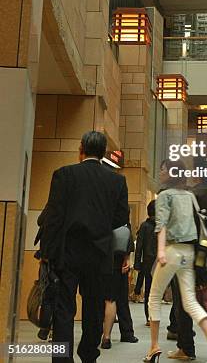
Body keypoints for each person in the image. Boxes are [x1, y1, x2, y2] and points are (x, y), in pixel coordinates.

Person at [38, 130, 129, 363]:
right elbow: (121, 217)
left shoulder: (64, 175)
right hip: (99, 253)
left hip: (67, 252)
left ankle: (62, 358)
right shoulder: (116, 181)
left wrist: (47, 253)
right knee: (94, 308)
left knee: (64, 308)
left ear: (81, 150)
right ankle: (89, 355)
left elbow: (54, 217)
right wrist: (100, 222)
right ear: (103, 153)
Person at [146, 159, 207, 363]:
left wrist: (161, 251)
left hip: (178, 250)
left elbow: (165, 225)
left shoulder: (184, 194)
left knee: (173, 301)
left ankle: (178, 346)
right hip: (204, 255)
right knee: (191, 298)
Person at [101, 229, 138, 348]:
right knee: (120, 297)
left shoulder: (99, 213)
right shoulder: (121, 216)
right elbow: (126, 232)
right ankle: (126, 333)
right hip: (119, 256)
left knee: (109, 298)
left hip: (102, 257)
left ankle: (105, 336)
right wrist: (127, 256)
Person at [135, 201, 157, 326]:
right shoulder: (161, 225)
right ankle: (153, 316)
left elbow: (139, 246)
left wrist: (138, 263)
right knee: (156, 291)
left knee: (149, 290)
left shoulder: (144, 226)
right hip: (160, 262)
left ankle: (149, 317)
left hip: (148, 262)